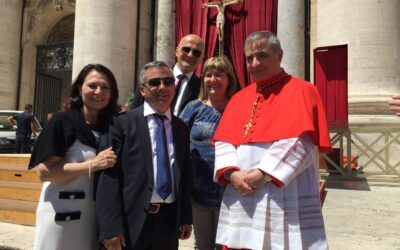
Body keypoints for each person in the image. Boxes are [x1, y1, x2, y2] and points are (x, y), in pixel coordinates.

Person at [212, 31, 332, 250]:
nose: (255, 63)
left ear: (280, 55)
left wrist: (264, 174)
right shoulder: (238, 98)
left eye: (262, 56)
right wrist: (232, 173)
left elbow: (303, 142)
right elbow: (223, 141)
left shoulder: (304, 90)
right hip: (241, 190)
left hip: (284, 189)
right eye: (249, 58)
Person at [96, 61, 192, 250]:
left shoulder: (181, 128)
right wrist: (110, 228)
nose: (162, 87)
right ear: (142, 90)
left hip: (168, 222)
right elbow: (108, 179)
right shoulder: (121, 124)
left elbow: (184, 174)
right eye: (155, 82)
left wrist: (186, 217)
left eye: (168, 82)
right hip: (130, 222)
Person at [28, 64, 119, 250]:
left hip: (95, 219)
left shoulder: (114, 126)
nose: (98, 92)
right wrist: (93, 164)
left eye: (105, 87)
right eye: (92, 85)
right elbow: (44, 173)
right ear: (79, 88)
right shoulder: (62, 121)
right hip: (61, 216)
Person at [179, 56, 239, 250]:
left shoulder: (238, 108)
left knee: (226, 245)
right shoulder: (193, 108)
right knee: (203, 245)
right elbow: (178, 142)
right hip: (199, 191)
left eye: (219, 75)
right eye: (209, 75)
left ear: (229, 78)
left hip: (232, 191)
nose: (213, 80)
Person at [132, 34, 205, 116]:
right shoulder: (152, 76)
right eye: (186, 49)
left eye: (196, 53)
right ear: (177, 51)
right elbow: (135, 110)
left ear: (201, 59)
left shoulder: (202, 89)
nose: (190, 55)